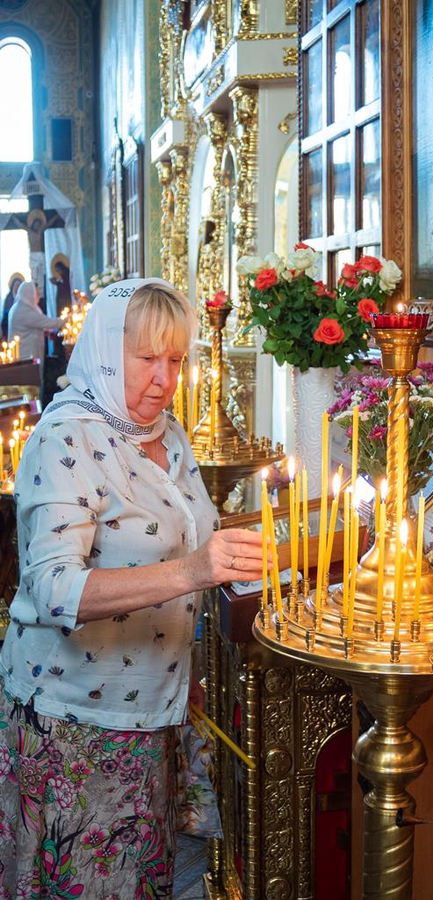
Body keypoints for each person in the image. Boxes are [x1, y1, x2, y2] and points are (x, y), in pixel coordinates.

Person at [0, 278, 266, 898]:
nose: (165, 377)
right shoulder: (65, 438)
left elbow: (185, 537)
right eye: (147, 358)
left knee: (149, 880)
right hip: (75, 724)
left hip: (159, 709)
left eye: (175, 359)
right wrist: (195, 571)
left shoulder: (167, 433)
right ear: (102, 351)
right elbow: (54, 589)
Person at [7, 280, 63, 362]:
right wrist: (71, 316)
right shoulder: (24, 310)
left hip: (26, 354)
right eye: (36, 293)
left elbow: (32, 325)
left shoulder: (19, 306)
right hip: (26, 357)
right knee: (31, 374)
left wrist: (44, 330)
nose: (39, 296)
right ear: (29, 294)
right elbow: (52, 323)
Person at [0, 271, 24, 340]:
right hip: (9, 326)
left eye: (19, 285)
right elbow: (5, 315)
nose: (17, 288)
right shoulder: (8, 298)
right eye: (16, 285)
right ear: (12, 285)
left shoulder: (23, 298)